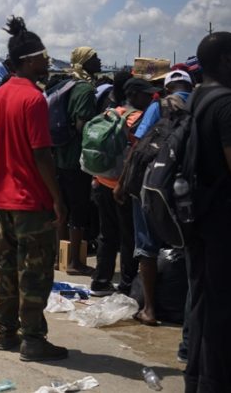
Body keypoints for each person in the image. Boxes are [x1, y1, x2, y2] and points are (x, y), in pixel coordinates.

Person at [0, 16, 67, 361]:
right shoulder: (34, 99)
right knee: (34, 273)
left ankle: (5, 333)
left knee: (6, 269)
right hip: (31, 201)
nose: (47, 63)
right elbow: (41, 156)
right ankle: (33, 339)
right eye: (44, 58)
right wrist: (58, 199)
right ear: (29, 60)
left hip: (3, 199)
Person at [183, 32, 231, 392]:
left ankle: (197, 382)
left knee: (206, 313)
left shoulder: (199, 98)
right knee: (226, 323)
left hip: (202, 221)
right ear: (228, 59)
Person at [114, 70, 193, 327]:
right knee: (187, 245)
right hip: (187, 187)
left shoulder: (159, 106)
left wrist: (124, 183)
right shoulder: (201, 103)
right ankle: (188, 307)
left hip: (153, 183)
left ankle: (149, 309)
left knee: (147, 245)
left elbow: (139, 146)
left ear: (167, 87)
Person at [89, 77, 156, 297]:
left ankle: (100, 281)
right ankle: (126, 285)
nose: (151, 98)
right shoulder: (137, 118)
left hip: (101, 181)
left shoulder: (109, 113)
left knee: (107, 234)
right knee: (128, 237)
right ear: (134, 95)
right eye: (147, 94)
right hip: (123, 186)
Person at [53, 46, 101, 276]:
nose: (99, 61)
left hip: (60, 155)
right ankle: (74, 262)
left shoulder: (66, 84)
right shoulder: (85, 89)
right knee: (78, 210)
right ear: (85, 62)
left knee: (61, 207)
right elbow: (83, 125)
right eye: (94, 58)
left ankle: (58, 258)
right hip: (76, 159)